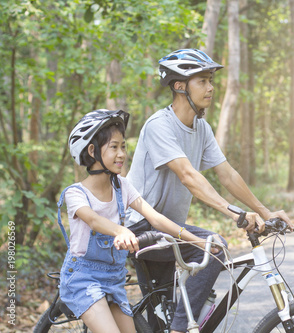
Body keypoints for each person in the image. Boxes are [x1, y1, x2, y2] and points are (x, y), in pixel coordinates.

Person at [126, 48, 294, 333]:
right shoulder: (159, 126)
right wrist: (235, 213)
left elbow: (227, 174)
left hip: (170, 229)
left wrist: (265, 211)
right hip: (140, 227)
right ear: (180, 86)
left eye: (211, 80)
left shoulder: (201, 128)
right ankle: (182, 329)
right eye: (202, 81)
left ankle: (177, 324)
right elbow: (189, 176)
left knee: (159, 324)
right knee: (214, 246)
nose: (211, 87)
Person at [58, 109, 211, 333]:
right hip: (83, 278)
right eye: (114, 147)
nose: (121, 154)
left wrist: (196, 241)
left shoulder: (123, 187)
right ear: (92, 151)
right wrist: (121, 230)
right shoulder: (75, 194)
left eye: (123, 147)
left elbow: (156, 218)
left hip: (114, 278)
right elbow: (93, 220)